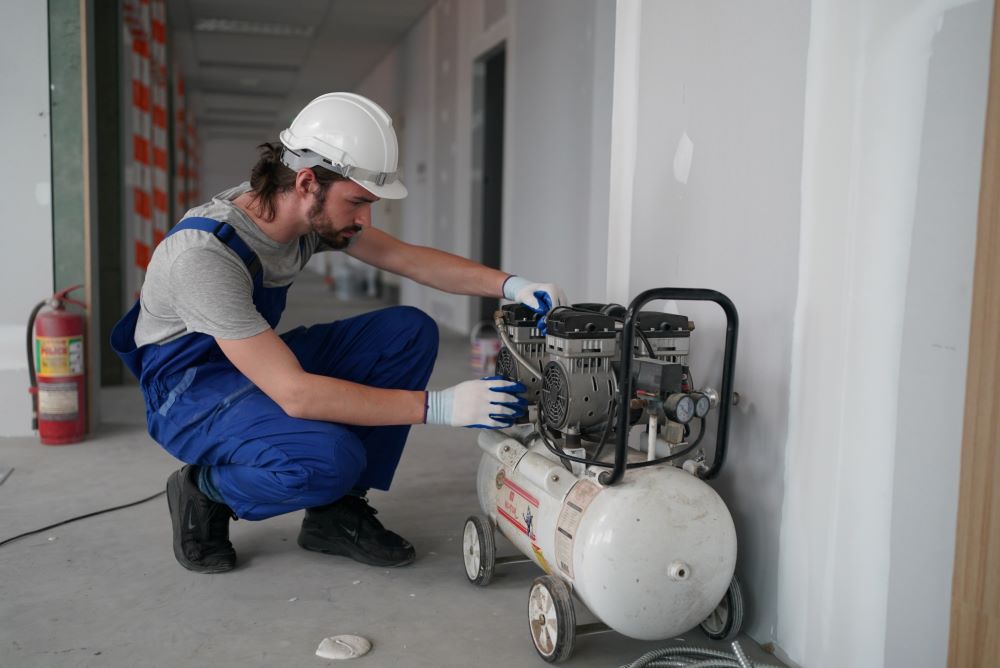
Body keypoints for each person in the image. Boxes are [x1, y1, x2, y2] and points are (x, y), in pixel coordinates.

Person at [110, 92, 567, 574]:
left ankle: (336, 513)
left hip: (249, 360)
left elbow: (406, 259)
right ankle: (204, 489)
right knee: (329, 458)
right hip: (189, 393)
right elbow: (296, 394)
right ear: (307, 182)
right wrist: (440, 406)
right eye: (357, 202)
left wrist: (512, 285)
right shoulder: (205, 256)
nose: (365, 219)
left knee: (406, 332)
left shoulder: (303, 216)